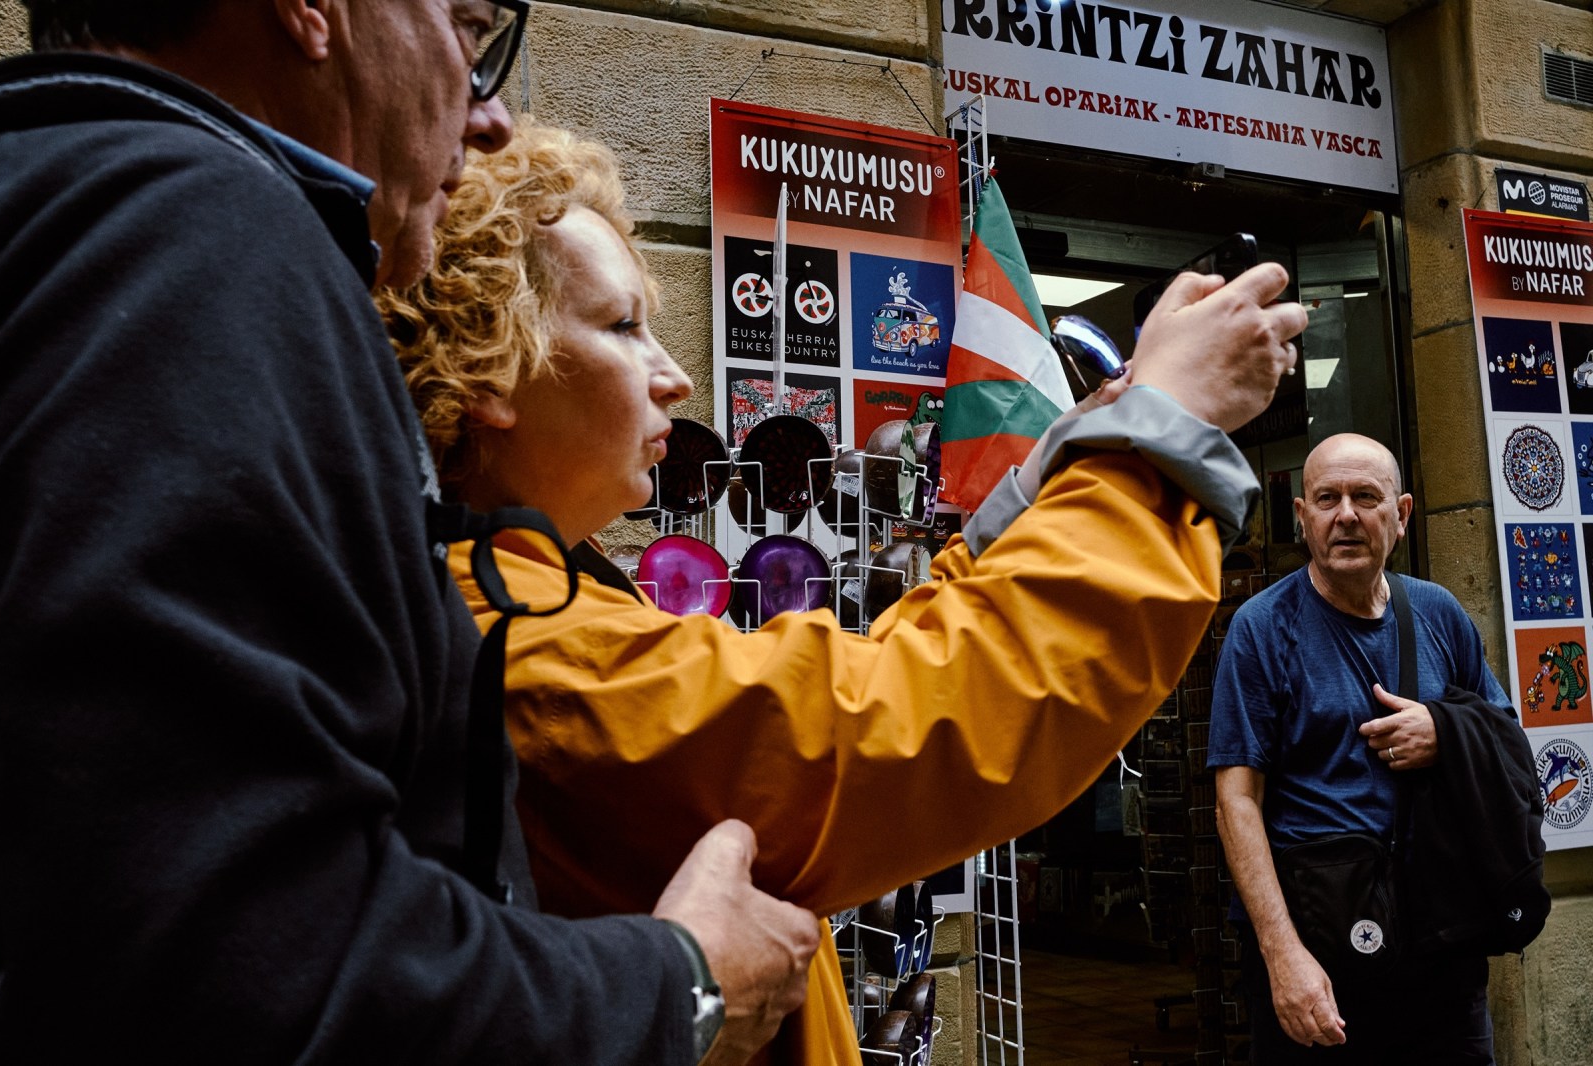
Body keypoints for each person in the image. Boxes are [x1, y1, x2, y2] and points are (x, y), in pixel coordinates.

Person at [0, 4, 819, 1064]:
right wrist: (678, 988)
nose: (490, 117)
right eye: (469, 29)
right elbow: (253, 977)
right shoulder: (198, 233)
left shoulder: (66, 209)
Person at [379, 120, 1306, 1064]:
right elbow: (921, 719)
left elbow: (875, 680)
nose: (676, 375)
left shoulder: (536, 600)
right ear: (490, 367)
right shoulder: (528, 647)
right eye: (623, 327)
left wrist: (1037, 489)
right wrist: (1164, 434)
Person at [1209, 434, 1508, 1064]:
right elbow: (1237, 800)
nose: (1345, 514)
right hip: (1318, 945)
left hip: (1439, 945)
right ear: (1303, 517)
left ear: (1400, 515)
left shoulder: (1439, 614)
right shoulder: (1262, 629)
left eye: (1365, 497)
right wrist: (1281, 954)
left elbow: (1508, 744)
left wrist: (1444, 732)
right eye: (1327, 498)